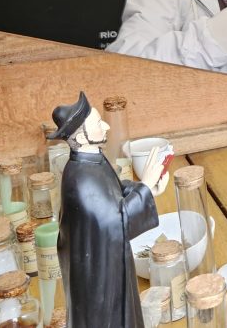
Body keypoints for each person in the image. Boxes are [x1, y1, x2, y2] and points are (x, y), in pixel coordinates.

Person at [49, 92, 158, 328]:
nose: (106, 125)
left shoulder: (93, 161)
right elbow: (114, 222)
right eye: (98, 123)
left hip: (107, 262)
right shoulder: (81, 179)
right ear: (81, 136)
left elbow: (116, 192)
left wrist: (147, 190)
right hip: (98, 276)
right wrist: (145, 188)